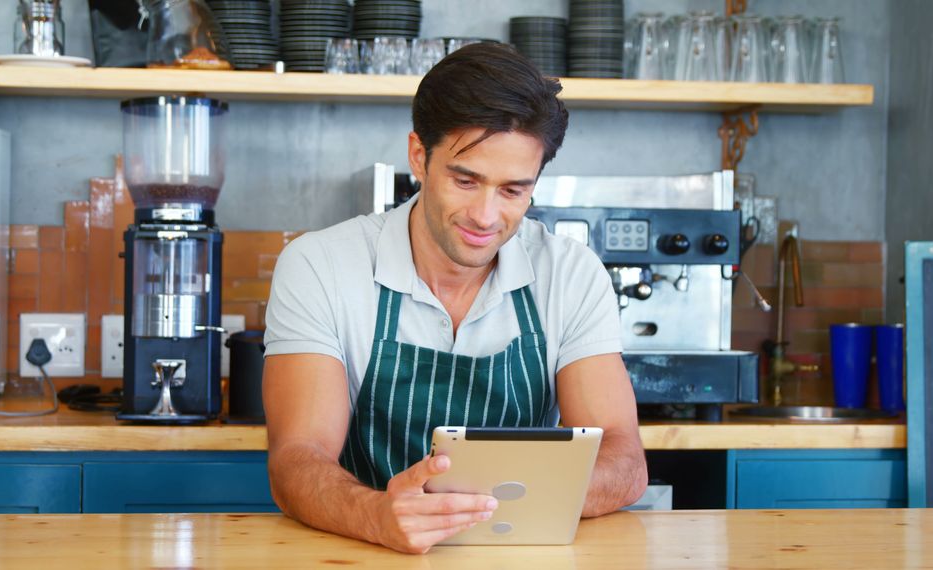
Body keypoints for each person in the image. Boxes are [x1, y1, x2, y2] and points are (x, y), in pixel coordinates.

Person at [262, 42, 647, 554]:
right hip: (365, 549)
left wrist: (487, 507)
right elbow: (296, 459)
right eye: (465, 181)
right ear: (419, 156)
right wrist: (375, 514)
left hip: (526, 556)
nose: (486, 217)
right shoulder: (320, 266)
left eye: (513, 191)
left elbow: (624, 458)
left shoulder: (571, 274)